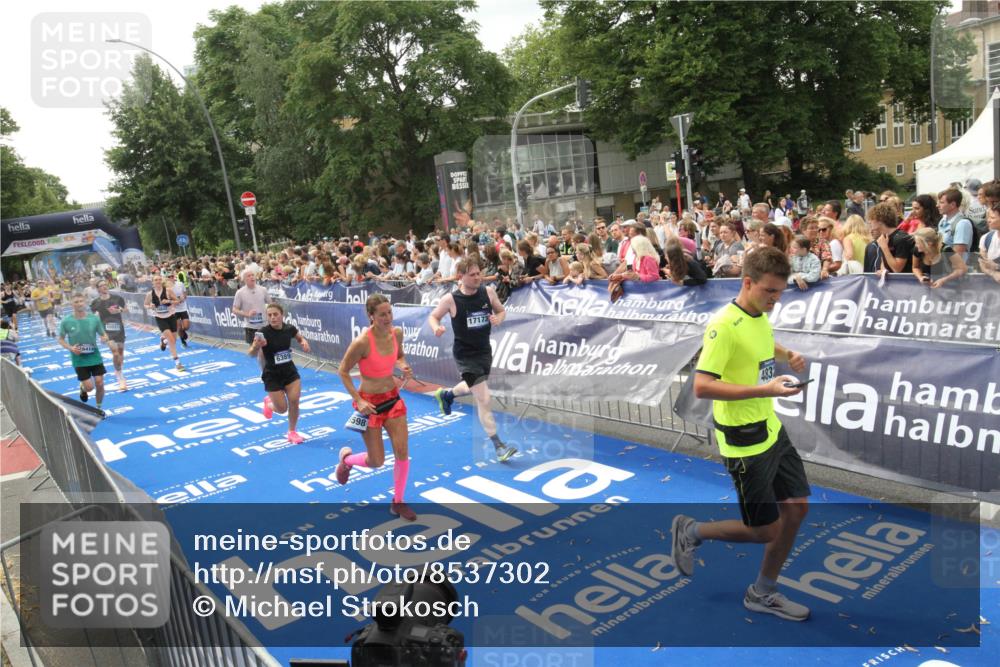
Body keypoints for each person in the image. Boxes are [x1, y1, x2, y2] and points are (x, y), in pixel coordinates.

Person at [670, 246, 811, 622]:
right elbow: (702, 386)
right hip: (744, 441)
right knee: (765, 530)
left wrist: (787, 354)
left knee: (797, 507)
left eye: (780, 293)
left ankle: (763, 592)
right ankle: (692, 530)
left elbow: (760, 342)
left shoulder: (758, 314)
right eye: (770, 292)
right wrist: (765, 390)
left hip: (771, 429)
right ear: (747, 283)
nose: (775, 301)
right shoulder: (721, 326)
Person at [428, 258, 518, 463]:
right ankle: (498, 445)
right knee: (484, 398)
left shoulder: (488, 292)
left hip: (484, 351)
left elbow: (501, 310)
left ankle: (447, 395)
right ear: (461, 276)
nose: (478, 277)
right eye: (473, 274)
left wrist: (498, 319)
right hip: (465, 354)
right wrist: (436, 328)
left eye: (479, 273)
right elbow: (433, 317)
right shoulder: (450, 299)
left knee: (472, 386)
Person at [335, 295, 416, 521]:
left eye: (390, 312)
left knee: (402, 451)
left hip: (393, 399)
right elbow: (342, 371)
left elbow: (399, 355)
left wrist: (403, 365)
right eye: (382, 314)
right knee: (376, 461)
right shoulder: (361, 342)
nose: (388, 317)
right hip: (369, 404)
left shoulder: (397, 333)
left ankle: (398, 502)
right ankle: (347, 460)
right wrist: (359, 401)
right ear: (371, 316)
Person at [252, 303, 311, 444]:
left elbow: (299, 337)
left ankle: (292, 431)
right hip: (272, 375)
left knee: (294, 401)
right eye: (270, 315)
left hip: (289, 371)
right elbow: (251, 352)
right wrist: (256, 346)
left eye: (275, 314)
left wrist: (303, 342)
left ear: (282, 315)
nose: (272, 318)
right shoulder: (263, 332)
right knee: (282, 409)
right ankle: (269, 404)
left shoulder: (289, 328)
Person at [59, 292, 111, 411]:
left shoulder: (94, 318)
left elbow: (103, 334)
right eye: (76, 302)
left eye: (81, 301)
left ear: (85, 302)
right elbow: (60, 339)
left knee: (100, 383)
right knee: (89, 387)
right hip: (79, 359)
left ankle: (99, 408)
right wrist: (71, 348)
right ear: (71, 304)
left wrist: (105, 338)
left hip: (94, 356)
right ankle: (83, 388)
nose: (79, 304)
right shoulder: (66, 321)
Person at [90, 279, 128, 391]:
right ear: (98, 289)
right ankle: (120, 378)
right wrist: (100, 334)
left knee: (120, 352)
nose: (104, 287)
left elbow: (125, 309)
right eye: (101, 286)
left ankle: (118, 369)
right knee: (115, 352)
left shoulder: (117, 298)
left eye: (105, 285)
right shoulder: (95, 303)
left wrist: (119, 310)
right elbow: (95, 318)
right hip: (106, 331)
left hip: (119, 329)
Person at [144, 274, 185, 371]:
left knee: (173, 340)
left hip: (171, 316)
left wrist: (169, 301)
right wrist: (150, 306)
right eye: (156, 280)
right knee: (171, 340)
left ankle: (164, 340)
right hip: (160, 318)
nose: (158, 281)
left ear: (161, 281)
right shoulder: (150, 294)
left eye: (159, 279)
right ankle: (177, 363)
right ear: (153, 282)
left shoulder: (168, 291)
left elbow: (177, 301)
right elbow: (145, 304)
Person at [232, 269, 270, 347]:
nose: (252, 277)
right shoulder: (240, 292)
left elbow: (271, 304)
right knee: (254, 351)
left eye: (253, 275)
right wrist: (247, 314)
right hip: (250, 327)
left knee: (267, 350)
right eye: (249, 276)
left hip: (264, 325)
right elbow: (234, 309)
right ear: (244, 279)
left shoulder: (263, 289)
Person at [166, 272, 190, 348]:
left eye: (172, 276)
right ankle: (183, 341)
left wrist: (183, 298)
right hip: (174, 309)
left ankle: (183, 332)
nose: (171, 278)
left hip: (183, 308)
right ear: (167, 278)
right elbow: (167, 300)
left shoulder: (180, 284)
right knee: (178, 327)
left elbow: (185, 294)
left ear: (174, 277)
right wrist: (174, 301)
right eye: (169, 277)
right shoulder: (166, 288)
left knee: (186, 326)